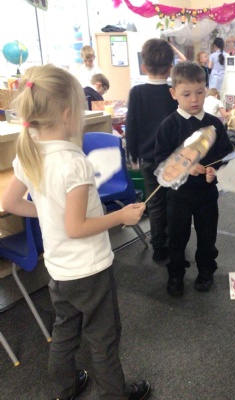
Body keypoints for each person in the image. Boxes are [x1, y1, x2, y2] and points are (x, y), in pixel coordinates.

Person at [2, 64, 150, 400]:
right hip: (90, 269)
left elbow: (10, 203)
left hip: (59, 269)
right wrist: (121, 216)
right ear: (68, 114)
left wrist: (46, 212)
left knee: (65, 331)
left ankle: (64, 389)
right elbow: (76, 227)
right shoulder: (74, 163)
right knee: (103, 338)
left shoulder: (28, 154)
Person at [154, 61, 232, 296]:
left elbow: (224, 155)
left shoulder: (214, 124)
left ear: (206, 88)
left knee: (207, 235)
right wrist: (185, 166)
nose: (195, 99)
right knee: (177, 237)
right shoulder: (169, 126)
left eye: (200, 92)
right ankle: (176, 273)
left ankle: (206, 270)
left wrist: (214, 169)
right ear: (173, 94)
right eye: (186, 94)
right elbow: (160, 161)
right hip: (178, 195)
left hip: (207, 193)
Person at [125, 38, 178, 262]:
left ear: (143, 66)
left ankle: (159, 247)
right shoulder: (175, 93)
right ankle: (175, 244)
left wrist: (133, 155)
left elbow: (131, 126)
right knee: (174, 202)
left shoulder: (137, 92)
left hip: (148, 158)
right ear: (170, 67)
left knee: (155, 204)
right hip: (174, 160)